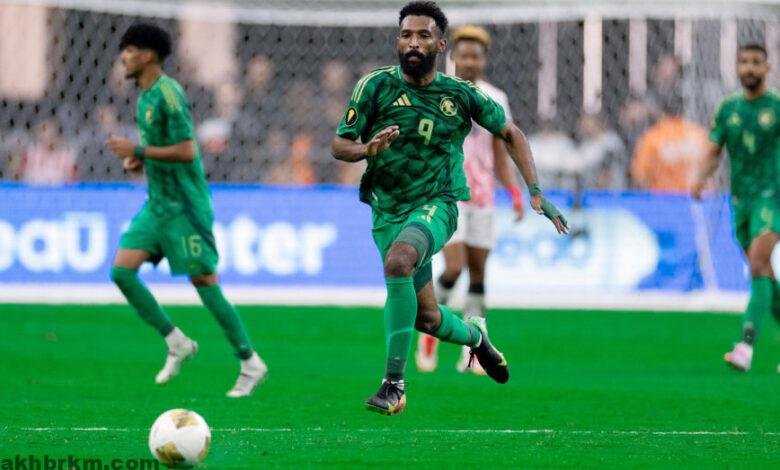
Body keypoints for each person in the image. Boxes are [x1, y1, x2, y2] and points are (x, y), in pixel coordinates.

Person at [331, 1, 568, 415]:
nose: (413, 42)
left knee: (400, 261)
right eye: (406, 35)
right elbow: (339, 144)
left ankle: (394, 385)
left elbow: (511, 133)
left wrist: (534, 191)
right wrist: (367, 148)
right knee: (425, 317)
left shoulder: (460, 94)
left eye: (423, 35)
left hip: (437, 203)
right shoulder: (374, 86)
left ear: (441, 46)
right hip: (387, 209)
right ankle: (476, 338)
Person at [105, 23, 266, 397]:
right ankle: (176, 341)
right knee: (122, 272)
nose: (123, 57)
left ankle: (250, 362)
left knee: (204, 282)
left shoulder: (169, 94)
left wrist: (139, 151)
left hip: (185, 208)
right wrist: (140, 162)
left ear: (148, 55)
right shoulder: (144, 97)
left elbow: (186, 150)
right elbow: (161, 151)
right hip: (157, 205)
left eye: (130, 50)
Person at [414, 25, 525, 375]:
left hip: (482, 196)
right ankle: (430, 326)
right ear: (453, 57)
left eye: (475, 56)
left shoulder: (496, 98)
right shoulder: (438, 92)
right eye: (463, 55)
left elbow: (500, 150)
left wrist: (514, 191)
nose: (469, 61)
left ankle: (474, 349)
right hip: (447, 194)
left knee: (478, 274)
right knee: (454, 266)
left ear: (483, 60)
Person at [693, 43, 780, 372]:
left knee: (758, 264)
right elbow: (714, 148)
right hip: (740, 201)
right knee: (764, 276)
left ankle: (745, 346)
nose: (749, 68)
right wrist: (701, 178)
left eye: (756, 62)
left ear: (767, 68)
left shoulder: (777, 106)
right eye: (744, 62)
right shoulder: (728, 108)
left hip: (772, 198)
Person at [631, 93, 709, 193]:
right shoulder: (699, 134)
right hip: (698, 197)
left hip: (665, 198)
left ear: (661, 110)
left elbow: (639, 176)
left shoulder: (653, 137)